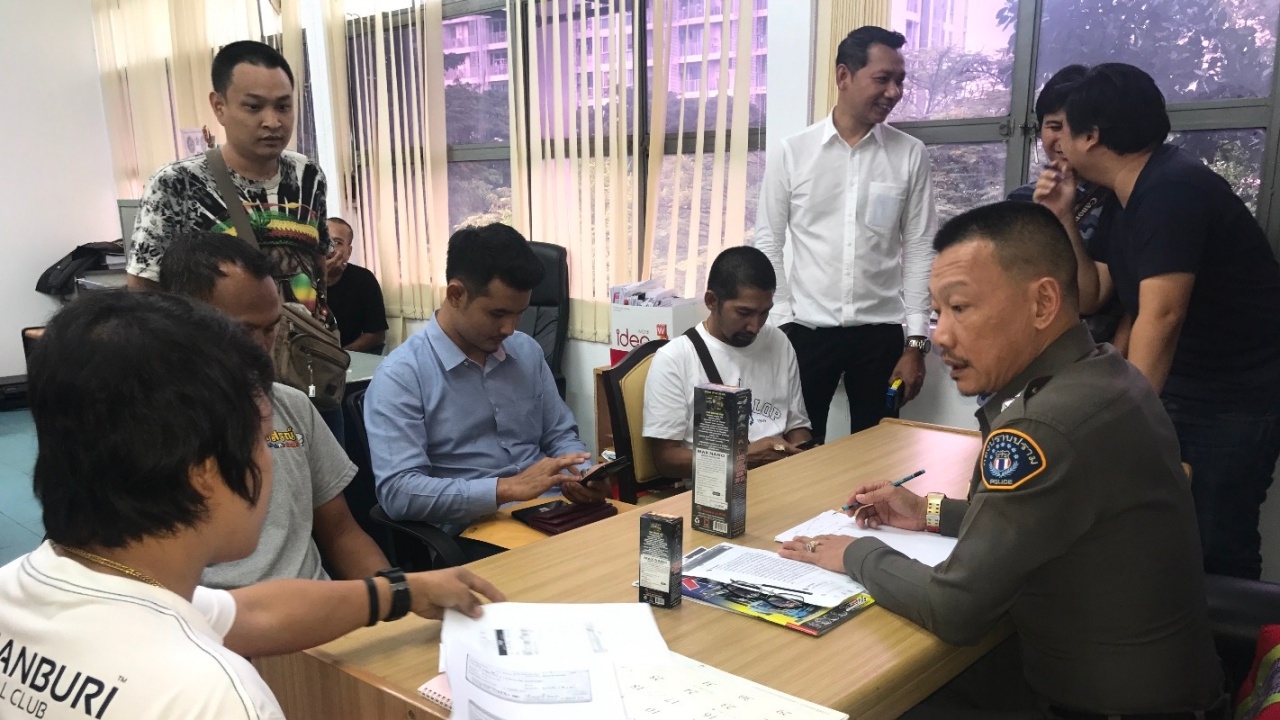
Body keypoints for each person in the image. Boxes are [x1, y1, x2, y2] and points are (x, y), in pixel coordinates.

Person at [779, 202, 1224, 717]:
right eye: (937, 312)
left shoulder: (1044, 425)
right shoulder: (1105, 374)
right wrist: (925, 511)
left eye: (960, 308)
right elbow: (1044, 513)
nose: (940, 335)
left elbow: (954, 608)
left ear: (1042, 303)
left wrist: (854, 554)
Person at [0, 291, 503, 720]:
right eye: (262, 441)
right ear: (205, 472)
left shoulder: (28, 588)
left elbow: (253, 614)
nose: (272, 458)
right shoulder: (212, 694)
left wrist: (403, 591)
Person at [1036, 63, 1280, 580]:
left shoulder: (1173, 189)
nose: (1056, 143)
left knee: (1215, 542)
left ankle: (1238, 636)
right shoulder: (1130, 194)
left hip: (1234, 396)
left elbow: (1163, 314)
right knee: (1165, 533)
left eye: (1064, 128)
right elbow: (1093, 294)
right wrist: (1062, 217)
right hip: (1187, 386)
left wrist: (1126, 419)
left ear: (1092, 135)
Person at [125, 40, 344, 440]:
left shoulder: (308, 175)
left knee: (327, 473)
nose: (272, 121)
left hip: (307, 366)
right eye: (254, 106)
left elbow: (318, 265)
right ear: (219, 106)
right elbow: (143, 291)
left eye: (283, 106)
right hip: (220, 381)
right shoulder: (178, 184)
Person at [365, 223, 608, 559]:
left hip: (553, 513)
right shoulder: (402, 376)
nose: (510, 328)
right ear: (456, 295)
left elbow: (560, 435)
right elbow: (399, 492)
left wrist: (581, 474)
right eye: (497, 314)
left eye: (520, 314)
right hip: (476, 531)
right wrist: (505, 489)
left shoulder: (526, 351)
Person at [160, 232, 388, 587]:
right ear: (182, 323)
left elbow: (342, 533)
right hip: (222, 619)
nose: (261, 348)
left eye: (271, 328)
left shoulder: (291, 405)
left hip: (324, 607)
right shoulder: (146, 429)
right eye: (243, 331)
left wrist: (396, 595)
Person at [752, 25, 936, 442]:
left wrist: (916, 343)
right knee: (798, 451)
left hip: (880, 335)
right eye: (883, 78)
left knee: (878, 452)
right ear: (843, 76)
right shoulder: (792, 152)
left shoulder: (910, 154)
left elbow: (920, 248)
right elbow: (768, 242)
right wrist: (783, 321)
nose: (894, 92)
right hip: (805, 333)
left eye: (900, 80)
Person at [643, 246, 813, 477]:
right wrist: (745, 458)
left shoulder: (778, 342)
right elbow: (666, 459)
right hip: (713, 486)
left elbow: (796, 425)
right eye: (744, 313)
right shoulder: (675, 358)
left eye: (764, 312)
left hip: (778, 476)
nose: (755, 326)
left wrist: (801, 457)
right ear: (712, 301)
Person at [1006, 64, 1125, 345]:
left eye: (1075, 127)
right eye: (1054, 126)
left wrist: (1064, 217)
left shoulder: (1118, 199)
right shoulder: (1020, 199)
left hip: (1083, 355)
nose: (1064, 140)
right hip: (1020, 348)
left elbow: (1087, 300)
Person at [325, 217, 388, 354]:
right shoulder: (301, 278)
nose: (329, 248)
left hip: (349, 357)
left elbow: (377, 334)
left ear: (349, 252)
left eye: (337, 242)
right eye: (324, 240)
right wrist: (321, 278)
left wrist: (340, 355)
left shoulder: (364, 279)